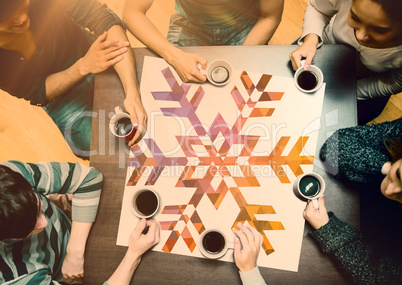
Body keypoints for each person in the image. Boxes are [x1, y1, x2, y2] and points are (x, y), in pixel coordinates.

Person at [0, 0, 147, 158]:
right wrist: (83, 66)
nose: (21, 18)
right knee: (95, 144)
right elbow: (37, 90)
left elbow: (104, 20)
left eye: (22, 6)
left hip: (94, 52)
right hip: (62, 97)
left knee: (147, 98)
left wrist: (132, 91)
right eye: (7, 17)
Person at [0, 160, 160, 284]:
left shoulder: (11, 176)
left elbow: (89, 178)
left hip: (75, 235)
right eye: (29, 228)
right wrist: (134, 254)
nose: (44, 223)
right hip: (72, 275)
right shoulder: (15, 278)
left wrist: (74, 251)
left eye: (38, 206)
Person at [302, 119, 402, 284]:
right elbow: (334, 147)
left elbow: (375, 278)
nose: (389, 191)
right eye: (399, 174)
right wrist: (386, 167)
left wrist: (329, 230)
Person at [289, 0, 402, 124]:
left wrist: (350, 92)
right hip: (321, 48)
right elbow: (318, 8)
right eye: (355, 17)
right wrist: (311, 39)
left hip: (366, 83)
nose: (360, 35)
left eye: (379, 30)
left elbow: (393, 82)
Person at [122, 0, 284, 83]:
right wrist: (175, 56)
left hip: (245, 26)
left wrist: (243, 57)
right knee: (176, 94)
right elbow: (132, 13)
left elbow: (270, 16)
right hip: (190, 25)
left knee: (249, 91)